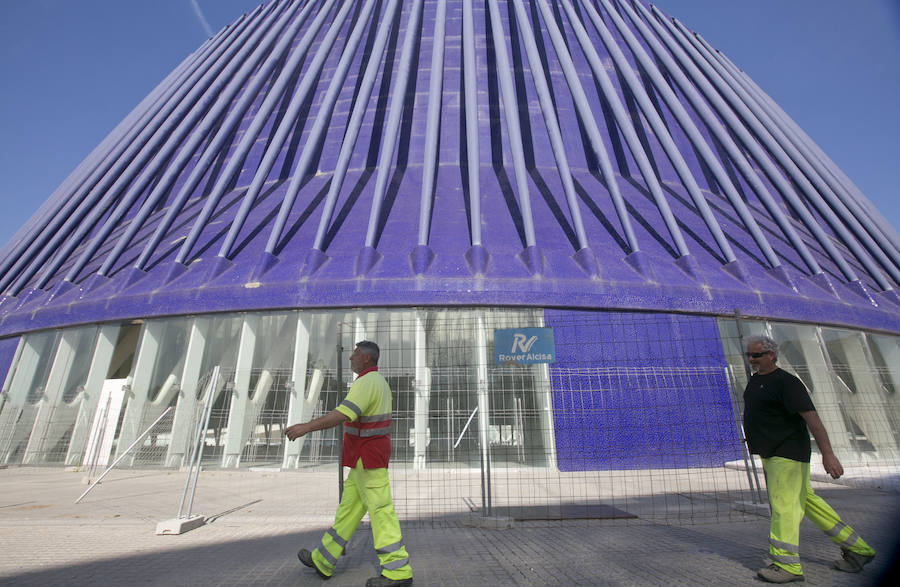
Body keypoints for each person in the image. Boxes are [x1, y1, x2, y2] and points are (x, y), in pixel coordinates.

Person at [742, 335, 876, 583]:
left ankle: (786, 565)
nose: (751, 359)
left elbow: (812, 419)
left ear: (771, 354)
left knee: (784, 505)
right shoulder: (756, 381)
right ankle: (858, 549)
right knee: (807, 501)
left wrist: (828, 454)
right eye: (748, 355)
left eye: (756, 355)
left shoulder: (787, 382)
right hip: (771, 453)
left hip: (788, 452)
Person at [286, 340, 413, 586]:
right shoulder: (375, 382)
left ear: (367, 358)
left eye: (355, 354)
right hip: (363, 460)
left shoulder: (367, 383)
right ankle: (323, 559)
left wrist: (306, 427)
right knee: (348, 511)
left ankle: (398, 573)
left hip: (368, 459)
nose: (350, 358)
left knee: (381, 511)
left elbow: (342, 414)